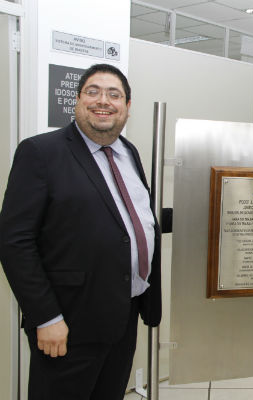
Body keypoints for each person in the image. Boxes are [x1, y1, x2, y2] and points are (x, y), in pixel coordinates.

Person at [0, 63, 162, 400]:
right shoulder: (41, 152)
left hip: (123, 314)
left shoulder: (128, 152)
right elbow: (15, 242)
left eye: (114, 94)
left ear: (127, 107)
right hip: (68, 322)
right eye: (93, 91)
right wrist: (46, 317)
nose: (103, 101)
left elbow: (129, 219)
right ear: (77, 100)